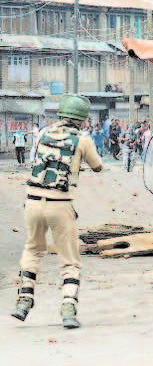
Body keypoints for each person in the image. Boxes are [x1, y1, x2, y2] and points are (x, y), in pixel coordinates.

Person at [11, 94, 103, 329]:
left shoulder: (42, 133)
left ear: (61, 113)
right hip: (60, 204)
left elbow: (35, 160)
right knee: (70, 260)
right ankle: (68, 308)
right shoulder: (82, 139)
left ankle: (24, 300)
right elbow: (98, 166)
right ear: (82, 119)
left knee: (33, 250)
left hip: (32, 202)